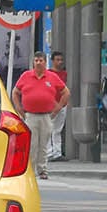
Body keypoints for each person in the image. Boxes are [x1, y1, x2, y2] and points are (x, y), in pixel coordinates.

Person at [10, 50, 69, 180]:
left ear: (45, 62)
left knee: (44, 144)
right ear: (33, 62)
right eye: (36, 60)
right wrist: (18, 108)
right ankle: (30, 170)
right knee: (32, 144)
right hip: (30, 115)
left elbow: (66, 92)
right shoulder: (26, 76)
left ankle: (42, 169)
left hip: (46, 116)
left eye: (41, 60)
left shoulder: (52, 77)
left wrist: (58, 107)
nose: (38, 63)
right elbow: (15, 92)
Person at [47, 51, 69, 161]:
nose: (60, 62)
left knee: (57, 129)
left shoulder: (64, 74)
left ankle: (57, 152)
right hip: (51, 105)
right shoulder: (48, 74)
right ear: (52, 61)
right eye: (57, 60)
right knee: (49, 128)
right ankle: (49, 152)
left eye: (61, 60)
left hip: (62, 105)